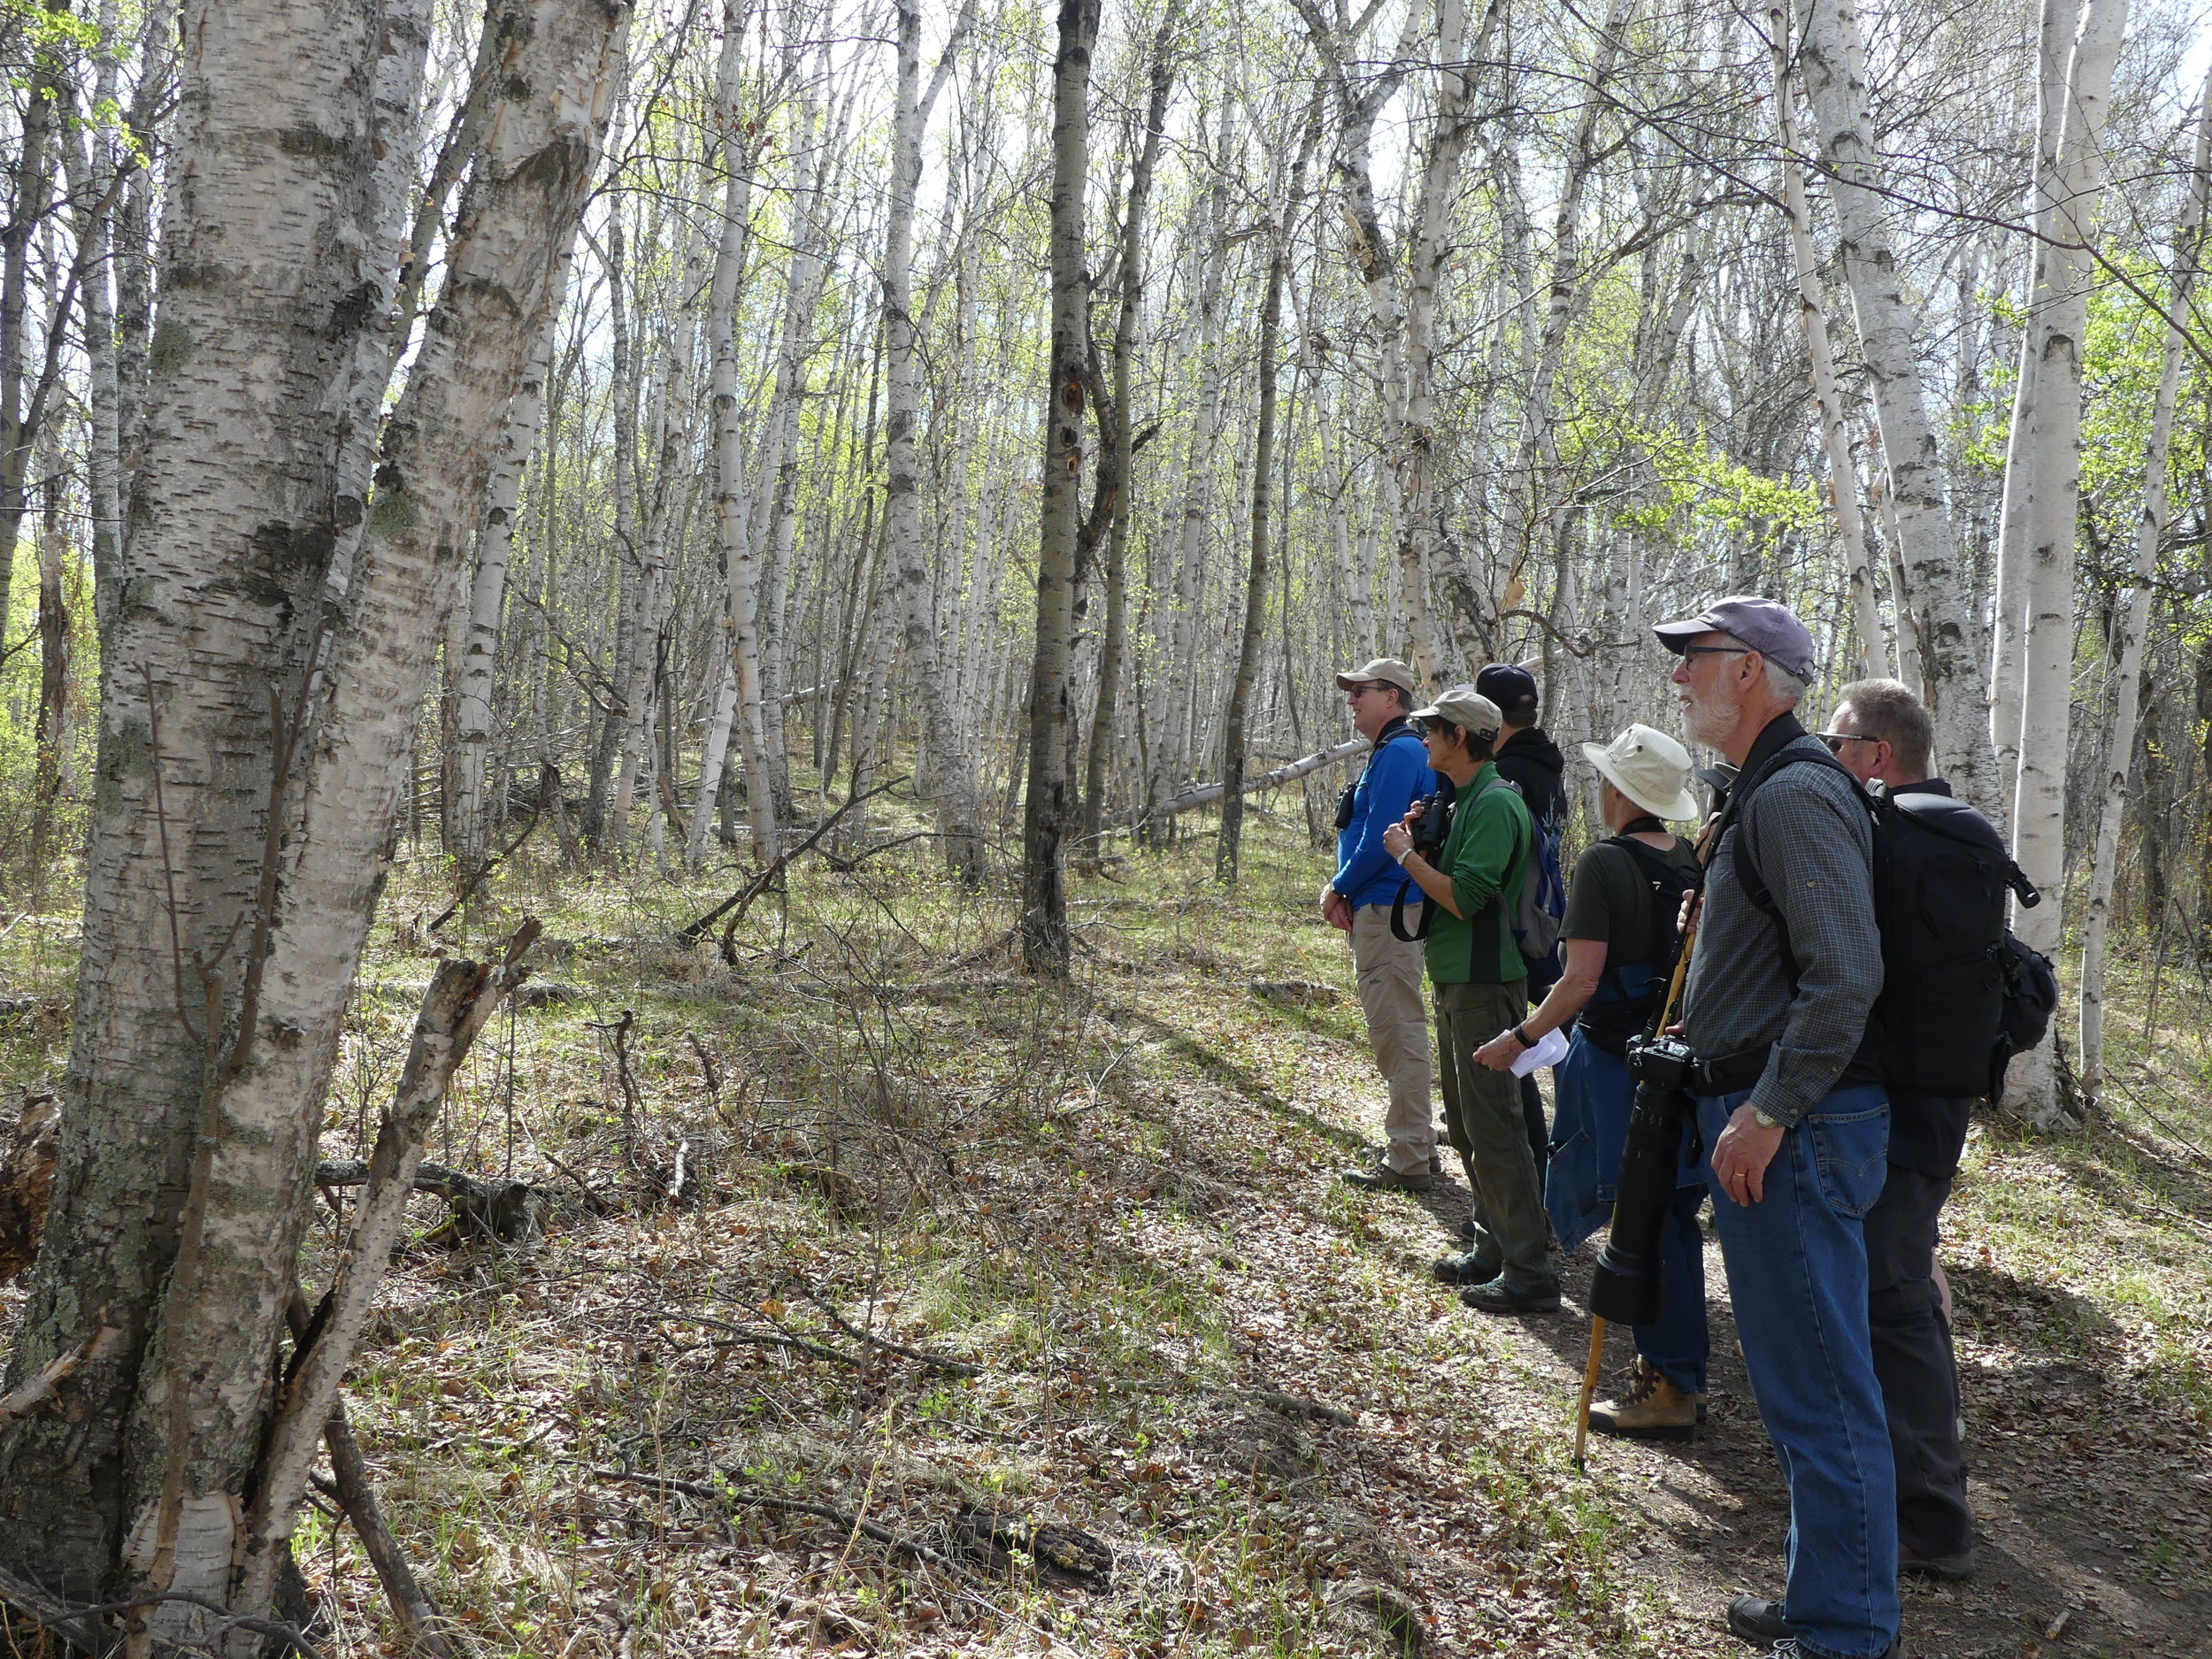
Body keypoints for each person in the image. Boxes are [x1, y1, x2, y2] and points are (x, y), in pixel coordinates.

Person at [1655, 596, 1900, 1659]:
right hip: (1776, 1114)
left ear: (1749, 670)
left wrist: (1765, 1110)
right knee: (1800, 1378)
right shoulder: (1764, 790)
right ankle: (1822, 1601)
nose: (1680, 680)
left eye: (1694, 660)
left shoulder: (1796, 794)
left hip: (1793, 1123)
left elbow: (1846, 975)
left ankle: (1845, 1632)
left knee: (1820, 1382)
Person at [1463, 725, 1710, 1435]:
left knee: (1643, 1218)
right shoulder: (1690, 860)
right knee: (1668, 1216)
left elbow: (1581, 978)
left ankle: (1669, 1383)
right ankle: (1673, 1374)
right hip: (1672, 1060)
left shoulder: (1604, 865)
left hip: (1620, 1066)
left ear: (1619, 790)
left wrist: (1520, 1037)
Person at [1824, 679, 1979, 1580]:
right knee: (1902, 1285)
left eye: (1837, 742)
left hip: (1899, 1107)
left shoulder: (1896, 836)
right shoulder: (1951, 827)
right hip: (1929, 1102)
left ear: (1877, 756)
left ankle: (1929, 1516)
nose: (1827, 756)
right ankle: (1918, 1490)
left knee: (1895, 1297)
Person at [1380, 687, 1558, 1316]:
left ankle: (1530, 1273)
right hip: (1458, 975)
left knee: (1497, 1128)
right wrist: (1422, 842)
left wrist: (1405, 858)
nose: (1423, 737)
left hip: (1487, 983)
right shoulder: (1463, 800)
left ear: (1461, 737)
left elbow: (1466, 898)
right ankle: (1492, 1248)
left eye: (1432, 728)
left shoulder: (1493, 803)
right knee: (1466, 1124)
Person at [1325, 657, 1440, 1194]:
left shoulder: (1399, 752)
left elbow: (1383, 838)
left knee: (1397, 1027)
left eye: (1360, 691)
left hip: (1389, 908)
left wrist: (1340, 886)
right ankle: (1416, 1143)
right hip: (1383, 905)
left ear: (1391, 696)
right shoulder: (1397, 750)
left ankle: (1411, 1155)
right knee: (1395, 1024)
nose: (1351, 700)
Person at [1477, 662, 1565, 1187]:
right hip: (1544, 920)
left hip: (1511, 932)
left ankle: (1532, 1182)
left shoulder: (1508, 775)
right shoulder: (1546, 764)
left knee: (1509, 1056)